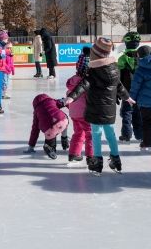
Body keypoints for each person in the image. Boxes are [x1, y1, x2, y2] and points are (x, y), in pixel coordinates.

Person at [61, 37, 134, 176]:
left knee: (96, 135)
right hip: (109, 109)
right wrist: (127, 97)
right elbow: (119, 86)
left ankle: (97, 163)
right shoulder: (115, 69)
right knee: (110, 134)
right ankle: (116, 160)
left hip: (95, 109)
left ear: (97, 54)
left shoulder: (93, 72)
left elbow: (83, 85)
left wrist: (71, 97)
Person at [65, 47, 93, 164]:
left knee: (78, 133)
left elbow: (68, 95)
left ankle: (73, 154)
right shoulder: (87, 82)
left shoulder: (73, 81)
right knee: (90, 135)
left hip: (74, 114)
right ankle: (91, 157)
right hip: (85, 114)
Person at [116, 31, 142, 142]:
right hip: (140, 92)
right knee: (138, 113)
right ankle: (140, 135)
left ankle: (126, 135)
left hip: (126, 91)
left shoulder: (122, 59)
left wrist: (117, 92)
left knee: (126, 113)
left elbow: (118, 77)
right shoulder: (142, 58)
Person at [25, 94, 69, 159]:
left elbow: (35, 130)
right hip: (63, 122)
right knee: (64, 117)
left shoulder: (37, 111)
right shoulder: (52, 101)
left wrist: (31, 146)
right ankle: (64, 138)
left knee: (51, 135)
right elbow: (65, 101)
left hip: (49, 129)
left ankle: (50, 147)